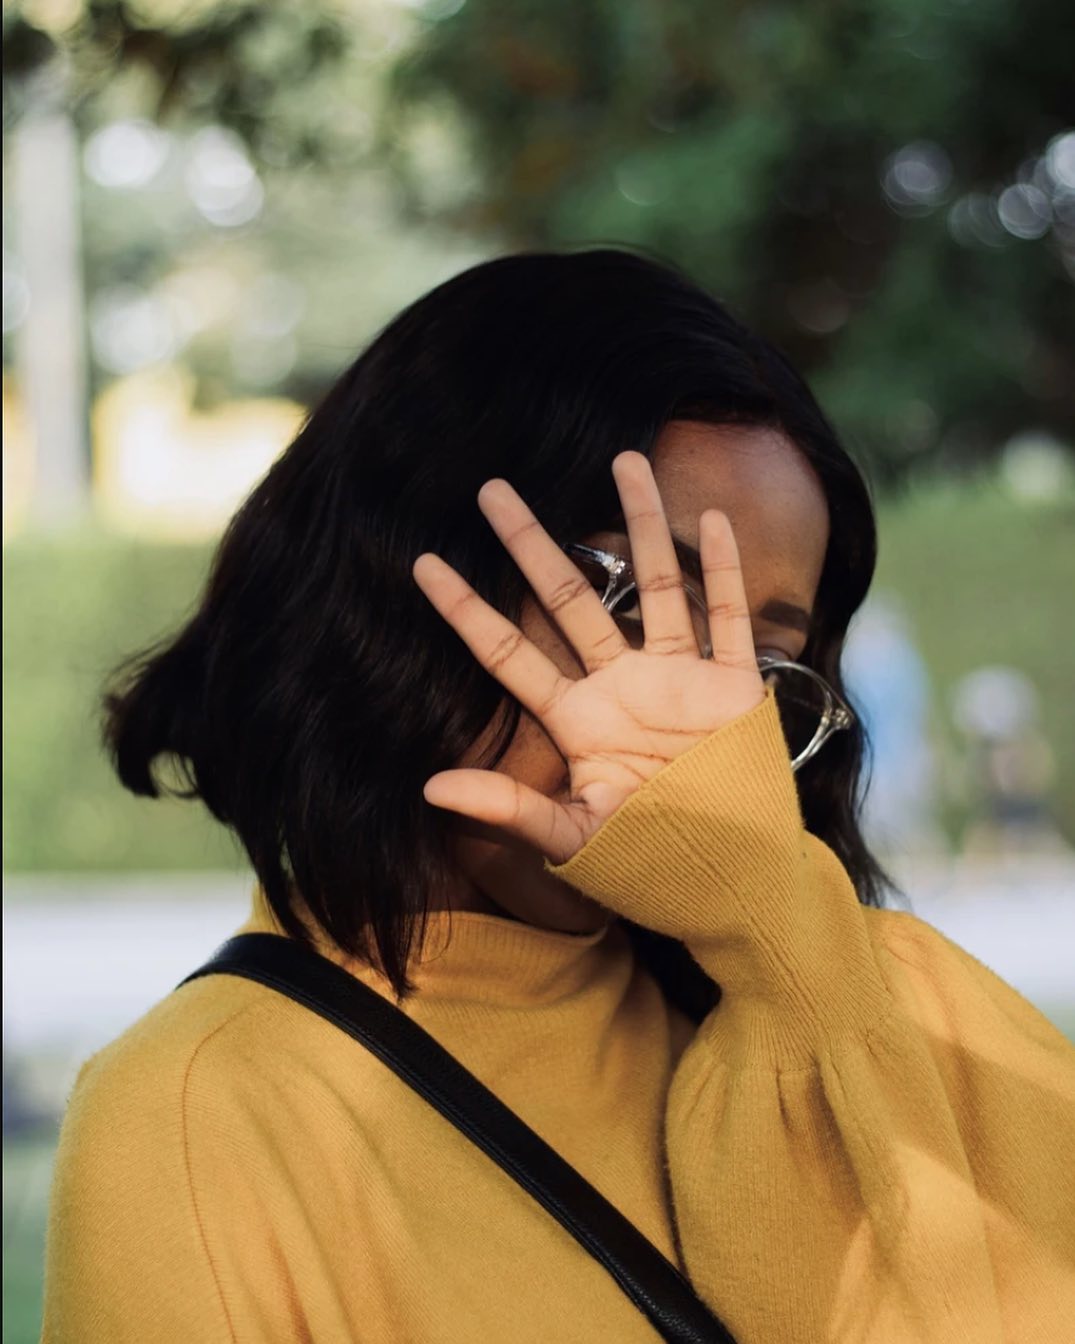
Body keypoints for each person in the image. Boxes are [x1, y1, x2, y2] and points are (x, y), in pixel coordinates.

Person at [42, 250, 1075, 1343]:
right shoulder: (199, 1112)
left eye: (762, 667)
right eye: (631, 605)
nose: (696, 712)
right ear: (394, 582)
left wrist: (774, 938)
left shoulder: (881, 1005)